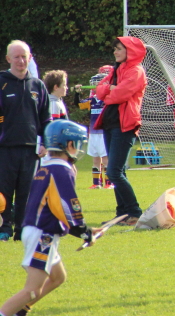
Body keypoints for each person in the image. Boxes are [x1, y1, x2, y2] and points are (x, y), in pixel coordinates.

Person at [0, 120, 101, 316]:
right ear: (69, 145)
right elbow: (68, 205)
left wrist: (83, 231)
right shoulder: (60, 170)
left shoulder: (46, 167)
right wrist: (83, 231)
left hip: (38, 230)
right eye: (78, 144)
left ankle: (20, 311)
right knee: (32, 290)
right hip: (43, 235)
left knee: (57, 277)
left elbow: (55, 208)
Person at [0, 40, 51, 241]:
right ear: (8, 59)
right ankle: (4, 228)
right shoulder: (2, 82)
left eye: (24, 56)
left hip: (30, 149)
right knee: (4, 192)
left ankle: (23, 230)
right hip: (5, 148)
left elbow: (45, 118)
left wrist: (46, 142)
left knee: (26, 192)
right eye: (17, 57)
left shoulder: (37, 85)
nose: (21, 61)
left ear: (30, 58)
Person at [94, 36, 147, 226]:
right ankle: (123, 214)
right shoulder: (117, 69)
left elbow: (121, 94)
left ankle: (134, 212)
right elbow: (99, 91)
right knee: (117, 170)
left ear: (129, 52)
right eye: (115, 49)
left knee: (114, 172)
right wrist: (109, 89)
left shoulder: (136, 70)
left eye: (119, 49)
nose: (115, 52)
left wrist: (108, 92)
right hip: (110, 123)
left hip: (125, 125)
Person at [79, 66, 115, 189]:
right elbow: (79, 105)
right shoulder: (92, 100)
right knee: (95, 159)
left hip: (103, 133)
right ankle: (96, 183)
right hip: (93, 133)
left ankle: (109, 183)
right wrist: (77, 93)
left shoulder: (108, 98)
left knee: (105, 159)